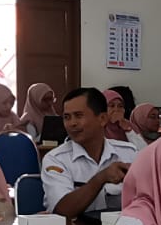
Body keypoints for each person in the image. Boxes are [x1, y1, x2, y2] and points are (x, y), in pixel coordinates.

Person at [42, 87, 138, 218]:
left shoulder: (129, 153)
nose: (72, 123)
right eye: (67, 117)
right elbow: (62, 211)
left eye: (78, 116)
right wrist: (101, 178)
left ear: (102, 119)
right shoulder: (56, 159)